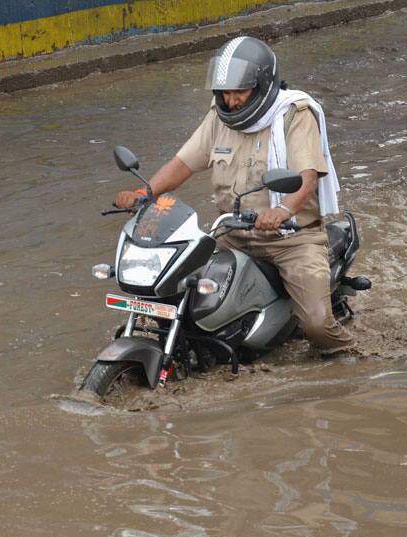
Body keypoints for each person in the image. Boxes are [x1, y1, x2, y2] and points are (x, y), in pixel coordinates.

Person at [114, 36, 354, 354]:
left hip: (291, 241)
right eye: (225, 92)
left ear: (263, 86)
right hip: (231, 235)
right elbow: (184, 163)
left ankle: (351, 355)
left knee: (317, 325)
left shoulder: (293, 114)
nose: (233, 100)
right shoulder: (219, 115)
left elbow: (306, 179)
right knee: (177, 294)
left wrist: (282, 211)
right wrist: (144, 193)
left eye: (240, 91)